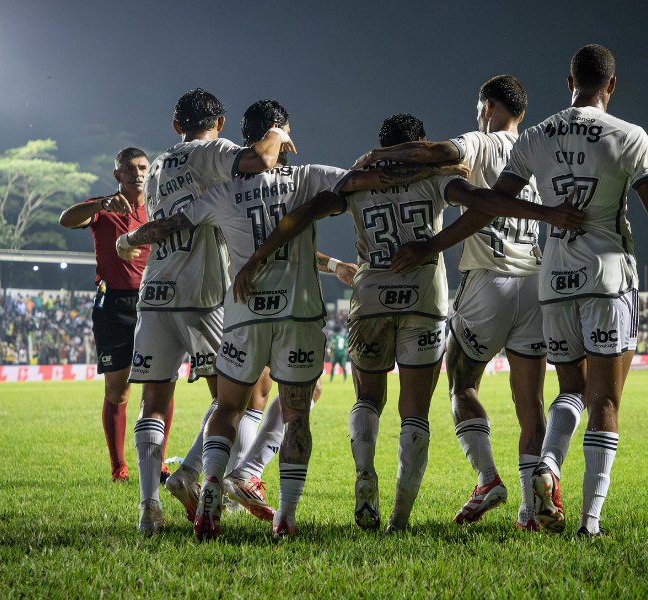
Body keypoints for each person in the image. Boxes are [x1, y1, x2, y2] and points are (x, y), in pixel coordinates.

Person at [391, 45, 648, 537]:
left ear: (569, 81)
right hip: (592, 278)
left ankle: (513, 476)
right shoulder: (629, 135)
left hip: (548, 279)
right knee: (594, 400)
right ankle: (568, 511)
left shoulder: (532, 137)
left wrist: (432, 241)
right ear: (611, 85)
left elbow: (487, 202)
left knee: (521, 384)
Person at [234, 113, 582, 533]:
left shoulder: (358, 180)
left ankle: (365, 473)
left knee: (367, 398)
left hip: (370, 300)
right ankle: (399, 519)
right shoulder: (435, 178)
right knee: (415, 413)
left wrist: (258, 256)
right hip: (424, 302)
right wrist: (547, 213)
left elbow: (304, 213)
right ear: (418, 144)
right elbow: (487, 203)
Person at [120, 100, 452, 539]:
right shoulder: (307, 177)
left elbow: (172, 225)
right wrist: (426, 168)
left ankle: (209, 486)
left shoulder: (221, 193)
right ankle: (285, 519)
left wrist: (131, 238)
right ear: (278, 134)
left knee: (228, 406)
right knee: (297, 413)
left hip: (240, 315)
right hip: (297, 316)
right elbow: (366, 181)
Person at [352, 75, 548, 529]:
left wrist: (378, 159)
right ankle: (532, 505)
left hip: (484, 278)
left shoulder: (477, 142)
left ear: (489, 105)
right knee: (531, 401)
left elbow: (440, 153)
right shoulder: (535, 151)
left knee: (461, 381)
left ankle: (486, 477)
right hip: (533, 280)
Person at [123, 88, 297, 534]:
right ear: (218, 124)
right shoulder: (212, 151)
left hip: (154, 289)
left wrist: (129, 240)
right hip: (201, 292)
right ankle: (192, 473)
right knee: (238, 396)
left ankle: (148, 508)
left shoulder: (157, 166)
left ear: (175, 125)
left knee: (153, 404)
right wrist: (278, 132)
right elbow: (260, 160)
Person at [58, 147, 173, 483]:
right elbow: (66, 219)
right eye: (130, 168)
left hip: (154, 304)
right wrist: (100, 205)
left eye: (143, 167)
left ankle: (158, 463)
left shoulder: (160, 208)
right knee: (117, 391)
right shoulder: (102, 208)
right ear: (117, 174)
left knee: (160, 388)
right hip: (114, 307)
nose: (138, 173)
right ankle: (119, 467)